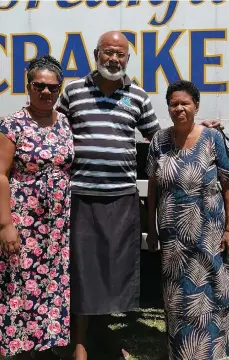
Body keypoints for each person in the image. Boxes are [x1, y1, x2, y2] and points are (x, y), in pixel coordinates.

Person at [56, 30, 160, 360]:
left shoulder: (139, 97)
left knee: (116, 270)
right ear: (96, 53)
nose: (114, 59)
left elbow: (158, 138)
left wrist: (201, 129)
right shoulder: (73, 92)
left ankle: (103, 332)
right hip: (81, 197)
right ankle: (81, 342)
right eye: (108, 52)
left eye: (121, 54)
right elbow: (51, 129)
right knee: (84, 269)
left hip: (121, 197)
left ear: (127, 58)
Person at [146, 79, 229, 360]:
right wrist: (153, 229)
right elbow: (153, 187)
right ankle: (181, 352)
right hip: (172, 236)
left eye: (185, 103)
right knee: (176, 297)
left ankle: (210, 353)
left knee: (210, 292)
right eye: (174, 103)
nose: (179, 108)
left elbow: (227, 186)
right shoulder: (159, 140)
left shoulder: (212, 138)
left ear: (196, 106)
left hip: (209, 231)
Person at [0, 55, 74, 359]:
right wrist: (5, 224)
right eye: (39, 86)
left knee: (51, 283)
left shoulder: (65, 122)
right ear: (28, 86)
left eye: (52, 88)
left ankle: (47, 345)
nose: (46, 92)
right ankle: (20, 347)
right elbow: (0, 175)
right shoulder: (13, 124)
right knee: (20, 284)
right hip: (24, 221)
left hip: (57, 225)